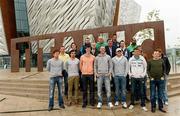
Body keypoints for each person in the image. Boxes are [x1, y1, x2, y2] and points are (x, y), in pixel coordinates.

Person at [128, 47, 148, 112]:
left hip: (141, 77)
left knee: (142, 91)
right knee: (133, 91)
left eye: (137, 51)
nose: (136, 53)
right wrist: (130, 74)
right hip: (133, 78)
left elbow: (145, 67)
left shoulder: (142, 59)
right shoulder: (131, 59)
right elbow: (128, 68)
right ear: (133, 52)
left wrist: (143, 75)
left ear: (139, 52)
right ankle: (132, 103)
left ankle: (143, 105)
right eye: (135, 52)